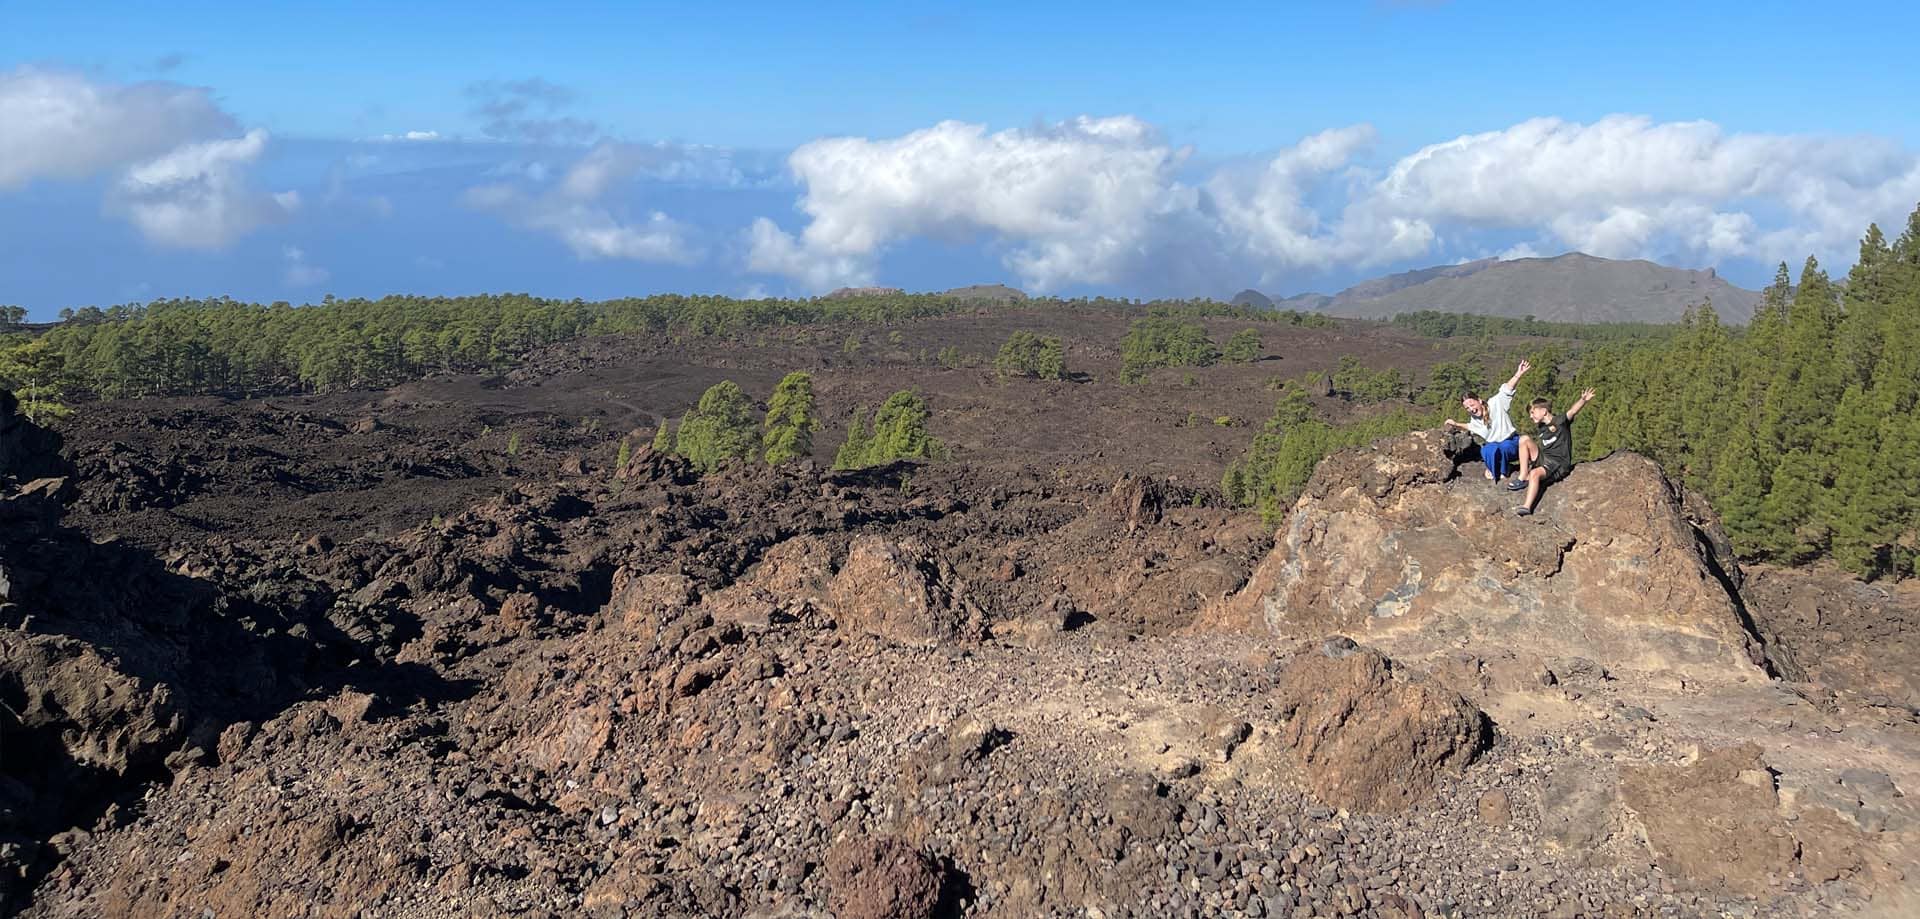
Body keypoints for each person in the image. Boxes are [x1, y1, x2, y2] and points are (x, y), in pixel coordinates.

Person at [1508, 387, 1596, 516]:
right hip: (1545, 458)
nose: (1530, 416)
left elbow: (1572, 412)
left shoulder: (1560, 421)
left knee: (1535, 474)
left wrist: (1583, 400)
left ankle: (1526, 506)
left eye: (1532, 412)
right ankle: (1522, 477)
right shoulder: (1541, 427)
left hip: (1558, 463)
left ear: (1543, 411)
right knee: (1524, 439)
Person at [1443, 360, 1530, 482]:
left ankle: (1504, 471)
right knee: (1487, 449)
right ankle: (1496, 470)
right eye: (1467, 408)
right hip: (1495, 445)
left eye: (1472, 405)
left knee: (1503, 447)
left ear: (1479, 400)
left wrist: (1518, 374)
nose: (1471, 409)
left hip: (1511, 443)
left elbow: (1507, 389)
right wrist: (1456, 424)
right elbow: (1470, 426)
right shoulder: (1475, 419)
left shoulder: (1495, 403)